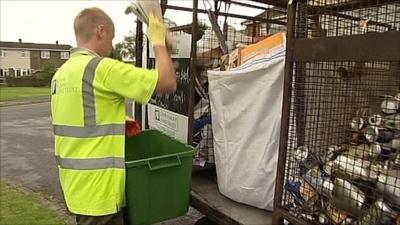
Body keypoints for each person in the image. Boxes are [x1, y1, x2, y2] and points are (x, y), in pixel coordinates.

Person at [51, 7, 176, 225]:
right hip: (100, 191)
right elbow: (167, 81)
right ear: (101, 31)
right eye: (111, 37)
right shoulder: (102, 69)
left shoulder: (61, 74)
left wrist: (119, 122)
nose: (113, 45)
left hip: (77, 186)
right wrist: (158, 41)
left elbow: (81, 116)